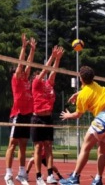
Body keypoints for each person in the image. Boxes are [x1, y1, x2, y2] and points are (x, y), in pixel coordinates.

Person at [59, 66, 105, 185]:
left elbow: (78, 114)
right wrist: (77, 93)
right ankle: (98, 179)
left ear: (81, 78)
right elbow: (94, 91)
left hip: (103, 118)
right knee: (101, 151)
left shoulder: (83, 95)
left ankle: (74, 178)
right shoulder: (95, 85)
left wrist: (68, 115)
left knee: (85, 148)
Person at [4, 33, 36, 185]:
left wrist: (33, 50)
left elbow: (29, 64)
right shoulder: (16, 79)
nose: (24, 70)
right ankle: (8, 175)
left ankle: (21, 174)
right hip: (17, 114)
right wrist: (24, 47)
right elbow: (22, 63)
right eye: (20, 70)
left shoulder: (26, 79)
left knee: (23, 145)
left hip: (27, 115)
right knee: (12, 144)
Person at [31, 46, 64, 185]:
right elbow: (45, 69)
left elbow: (53, 71)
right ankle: (39, 177)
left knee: (49, 147)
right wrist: (51, 56)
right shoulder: (36, 83)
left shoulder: (49, 84)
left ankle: (50, 175)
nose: (42, 75)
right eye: (39, 75)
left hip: (48, 118)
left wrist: (57, 59)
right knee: (38, 148)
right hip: (37, 118)